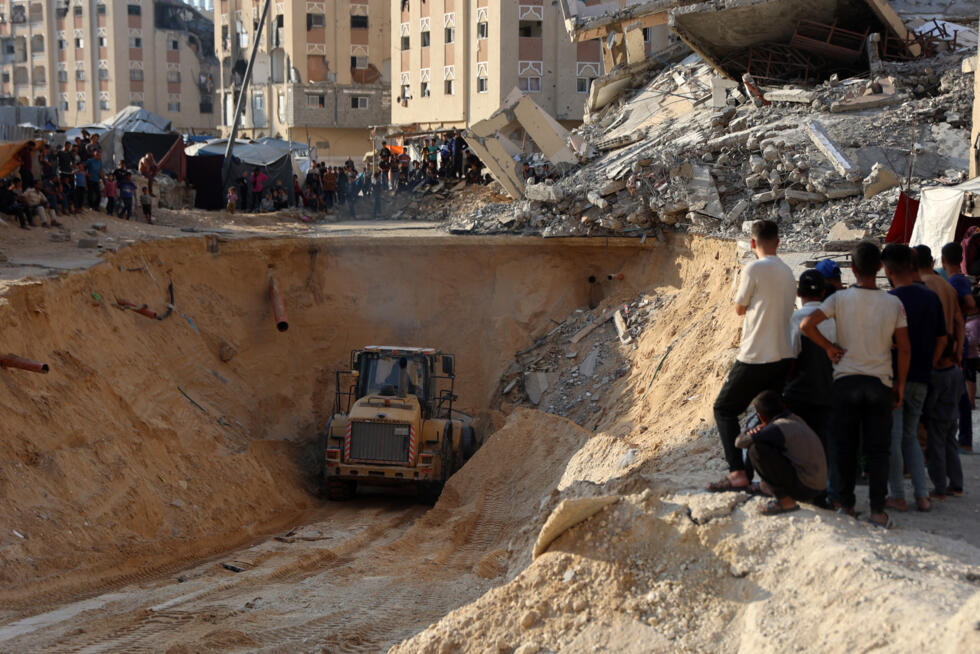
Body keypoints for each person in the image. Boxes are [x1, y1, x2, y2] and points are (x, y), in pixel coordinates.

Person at [801, 241, 910, 529]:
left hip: (846, 381)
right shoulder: (893, 303)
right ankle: (877, 511)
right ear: (879, 268)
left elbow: (806, 325)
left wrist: (829, 348)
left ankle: (846, 506)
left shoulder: (839, 299)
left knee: (844, 446)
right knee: (878, 449)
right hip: (879, 383)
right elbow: (904, 347)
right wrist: (899, 385)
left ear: (852, 268)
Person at [708, 220, 796, 492]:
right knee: (769, 415)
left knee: (724, 409)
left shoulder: (754, 268)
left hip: (756, 354)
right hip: (784, 355)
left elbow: (739, 307)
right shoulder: (788, 270)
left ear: (753, 243)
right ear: (778, 243)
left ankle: (738, 472)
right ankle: (771, 476)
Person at [880, 244, 945, 513]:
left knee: (894, 438)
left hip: (896, 378)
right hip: (922, 376)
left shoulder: (891, 300)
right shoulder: (931, 298)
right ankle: (922, 495)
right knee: (911, 436)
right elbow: (942, 338)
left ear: (888, 269)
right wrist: (929, 363)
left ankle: (897, 494)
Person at [735, 391, 827, 515]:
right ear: (783, 406)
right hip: (819, 486)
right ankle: (766, 487)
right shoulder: (795, 419)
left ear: (761, 417)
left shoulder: (777, 427)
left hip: (806, 488)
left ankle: (785, 502)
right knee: (770, 445)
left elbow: (739, 443)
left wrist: (754, 430)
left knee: (756, 449)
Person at [784, 269, 836, 447]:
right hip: (830, 392)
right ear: (823, 292)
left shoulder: (793, 319)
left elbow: (789, 359)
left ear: (798, 293)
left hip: (800, 394)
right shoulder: (834, 319)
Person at [941, 242, 976, 453]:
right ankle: (964, 438)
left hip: (956, 342)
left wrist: (955, 312)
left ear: (944, 261)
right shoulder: (956, 281)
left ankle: (963, 439)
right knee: (960, 393)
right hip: (958, 341)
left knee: (958, 394)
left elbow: (970, 304)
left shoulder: (956, 281)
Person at [923, 346, 965, 500]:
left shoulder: (937, 376)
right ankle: (956, 484)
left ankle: (939, 488)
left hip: (937, 417)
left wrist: (925, 416)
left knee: (936, 452)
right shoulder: (958, 372)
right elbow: (961, 392)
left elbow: (932, 400)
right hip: (953, 415)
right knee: (951, 449)